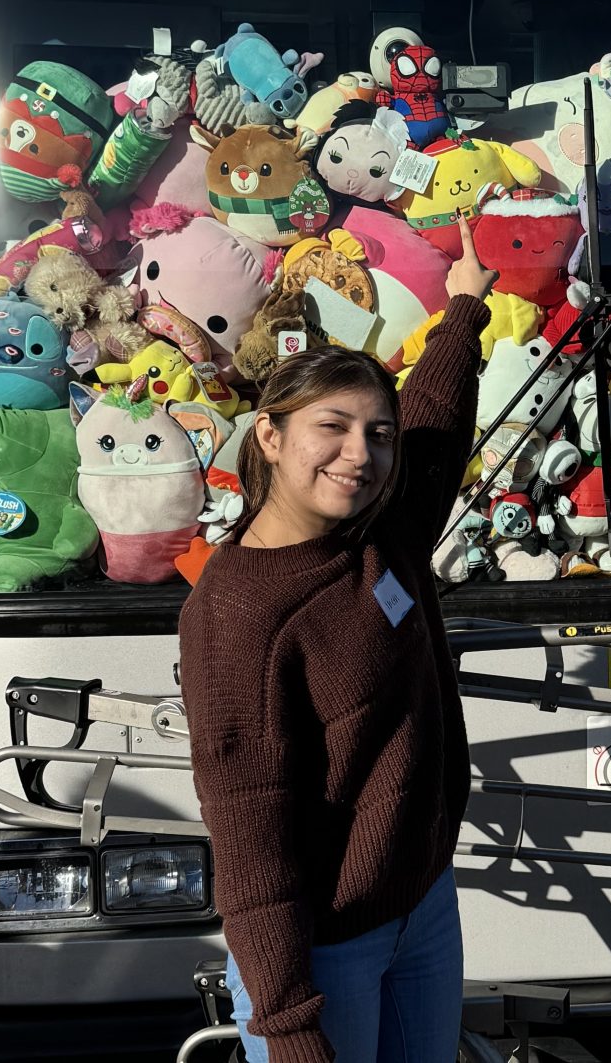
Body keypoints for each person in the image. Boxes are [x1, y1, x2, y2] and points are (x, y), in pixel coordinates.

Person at [179, 213, 496, 1063]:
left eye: (375, 435)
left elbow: (430, 431)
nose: (360, 454)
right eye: (334, 427)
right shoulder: (237, 610)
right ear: (271, 437)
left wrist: (463, 311)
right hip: (324, 953)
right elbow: (250, 836)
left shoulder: (377, 537)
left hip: (420, 906)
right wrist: (288, 1026)